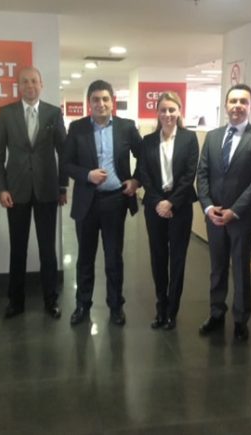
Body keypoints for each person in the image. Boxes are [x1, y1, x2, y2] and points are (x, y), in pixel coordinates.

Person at [197, 84, 251, 340]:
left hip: (242, 218)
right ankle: (216, 313)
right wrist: (208, 207)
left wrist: (234, 211)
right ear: (226, 105)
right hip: (214, 216)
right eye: (233, 101)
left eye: (243, 101)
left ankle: (241, 320)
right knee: (217, 268)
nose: (237, 106)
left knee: (240, 269)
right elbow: (202, 174)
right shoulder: (213, 136)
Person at [64, 79, 141, 326]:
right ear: (89, 103)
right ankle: (82, 305)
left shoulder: (126, 127)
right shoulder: (77, 128)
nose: (101, 104)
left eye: (105, 99)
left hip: (115, 201)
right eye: (96, 99)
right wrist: (87, 175)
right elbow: (66, 164)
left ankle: (116, 306)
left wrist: (136, 180)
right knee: (85, 258)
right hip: (87, 201)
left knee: (113, 258)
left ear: (112, 102)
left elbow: (145, 156)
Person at [0, 67, 67, 319]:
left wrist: (62, 186)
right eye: (24, 81)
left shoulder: (53, 113)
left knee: (48, 250)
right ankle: (16, 301)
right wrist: (1, 188)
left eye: (34, 81)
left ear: (41, 84)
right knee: (18, 249)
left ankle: (51, 300)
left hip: (47, 190)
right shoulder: (6, 113)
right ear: (18, 86)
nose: (30, 85)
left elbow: (64, 152)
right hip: (16, 191)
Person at [139, 92, 198, 330]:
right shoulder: (147, 141)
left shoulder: (189, 139)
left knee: (178, 259)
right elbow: (143, 174)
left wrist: (171, 202)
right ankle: (160, 308)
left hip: (180, 206)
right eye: (163, 110)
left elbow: (189, 174)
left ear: (179, 111)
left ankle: (172, 311)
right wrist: (158, 202)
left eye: (172, 109)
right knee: (158, 258)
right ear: (157, 113)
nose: (167, 114)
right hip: (154, 206)